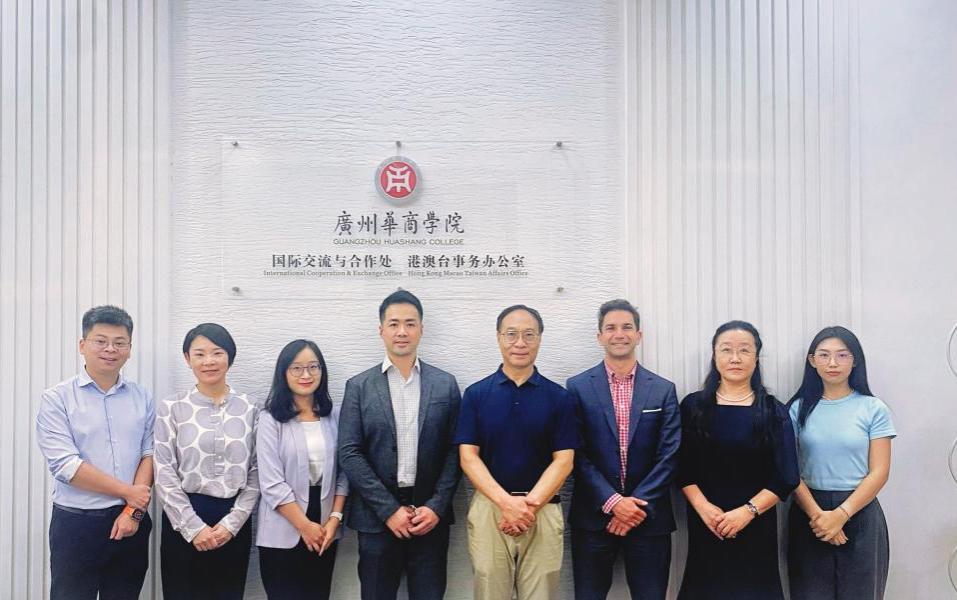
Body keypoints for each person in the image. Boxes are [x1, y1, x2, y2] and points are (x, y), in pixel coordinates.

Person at [338, 290, 463, 600]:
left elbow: (455, 450)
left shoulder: (445, 384)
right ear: (381, 330)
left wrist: (436, 505)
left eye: (410, 323)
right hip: (376, 518)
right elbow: (349, 452)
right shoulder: (359, 386)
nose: (402, 331)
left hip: (429, 517)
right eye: (394, 324)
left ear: (421, 329)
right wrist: (389, 510)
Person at [456, 304, 579, 600]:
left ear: (540, 339)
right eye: (511, 334)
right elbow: (468, 457)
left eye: (529, 334)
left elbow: (564, 461)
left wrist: (528, 507)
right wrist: (506, 504)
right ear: (498, 337)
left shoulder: (559, 397)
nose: (520, 343)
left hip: (543, 509)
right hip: (490, 509)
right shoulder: (476, 395)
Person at [36, 305, 155, 600]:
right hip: (77, 524)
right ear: (82, 345)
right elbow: (66, 465)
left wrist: (133, 511)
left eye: (119, 342)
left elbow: (149, 453)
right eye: (100, 341)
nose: (110, 349)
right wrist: (129, 493)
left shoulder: (142, 397)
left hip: (131, 521)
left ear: (129, 348)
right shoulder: (57, 398)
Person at [677, 320, 799, 600]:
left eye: (744, 350)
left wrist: (746, 512)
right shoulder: (694, 407)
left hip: (756, 524)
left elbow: (786, 475)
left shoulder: (773, 410)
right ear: (714, 356)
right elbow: (682, 467)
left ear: (756, 358)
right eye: (726, 350)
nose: (735, 358)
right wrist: (705, 509)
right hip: (707, 523)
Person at [567, 299, 680, 600]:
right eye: (611, 328)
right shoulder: (577, 387)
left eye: (627, 327)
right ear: (600, 336)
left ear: (638, 335)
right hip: (594, 516)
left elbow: (670, 455)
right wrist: (614, 501)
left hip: (649, 518)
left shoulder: (663, 389)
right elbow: (576, 453)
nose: (619, 334)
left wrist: (634, 506)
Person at [787, 326, 896, 599]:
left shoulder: (873, 408)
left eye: (842, 355)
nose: (832, 363)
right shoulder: (797, 409)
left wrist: (841, 515)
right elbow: (790, 470)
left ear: (855, 360)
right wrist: (819, 517)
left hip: (860, 511)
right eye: (824, 355)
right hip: (809, 512)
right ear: (812, 361)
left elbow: (880, 471)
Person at [154, 323, 260, 599]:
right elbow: (163, 471)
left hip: (233, 521)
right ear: (187, 359)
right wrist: (194, 528)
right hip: (183, 519)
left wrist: (231, 525)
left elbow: (257, 471)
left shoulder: (250, 408)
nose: (209, 361)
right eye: (199, 354)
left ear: (230, 357)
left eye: (217, 353)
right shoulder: (172, 407)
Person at [256, 339, 348, 600]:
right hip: (283, 525)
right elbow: (271, 482)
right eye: (296, 368)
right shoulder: (270, 419)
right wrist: (304, 525)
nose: (306, 375)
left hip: (325, 526)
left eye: (313, 367)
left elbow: (344, 472)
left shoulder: (335, 416)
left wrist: (335, 519)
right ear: (284, 373)